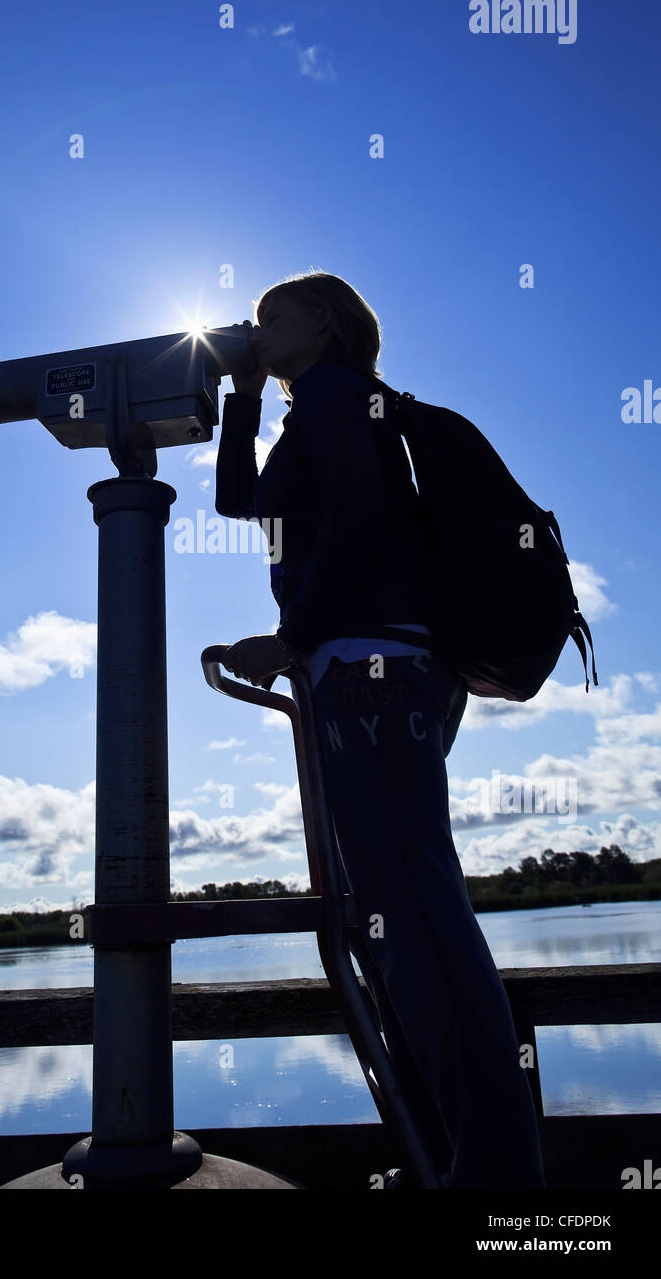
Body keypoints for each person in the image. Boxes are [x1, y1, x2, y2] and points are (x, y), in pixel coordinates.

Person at [215, 270, 546, 1189]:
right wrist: (243, 402)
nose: (255, 326)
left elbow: (360, 514)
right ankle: (448, 1152)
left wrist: (291, 637)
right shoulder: (310, 409)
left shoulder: (339, 394)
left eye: (270, 315)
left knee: (416, 916)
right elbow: (241, 504)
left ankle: (497, 1184)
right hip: (363, 674)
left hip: (373, 673)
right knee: (392, 917)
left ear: (324, 321)